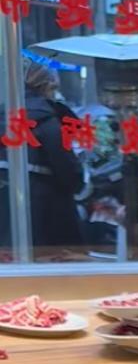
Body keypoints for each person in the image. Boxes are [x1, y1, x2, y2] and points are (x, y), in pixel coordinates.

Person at [21, 63, 84, 253]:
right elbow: (68, 169)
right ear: (47, 86)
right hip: (48, 210)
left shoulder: (6, 116)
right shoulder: (49, 121)